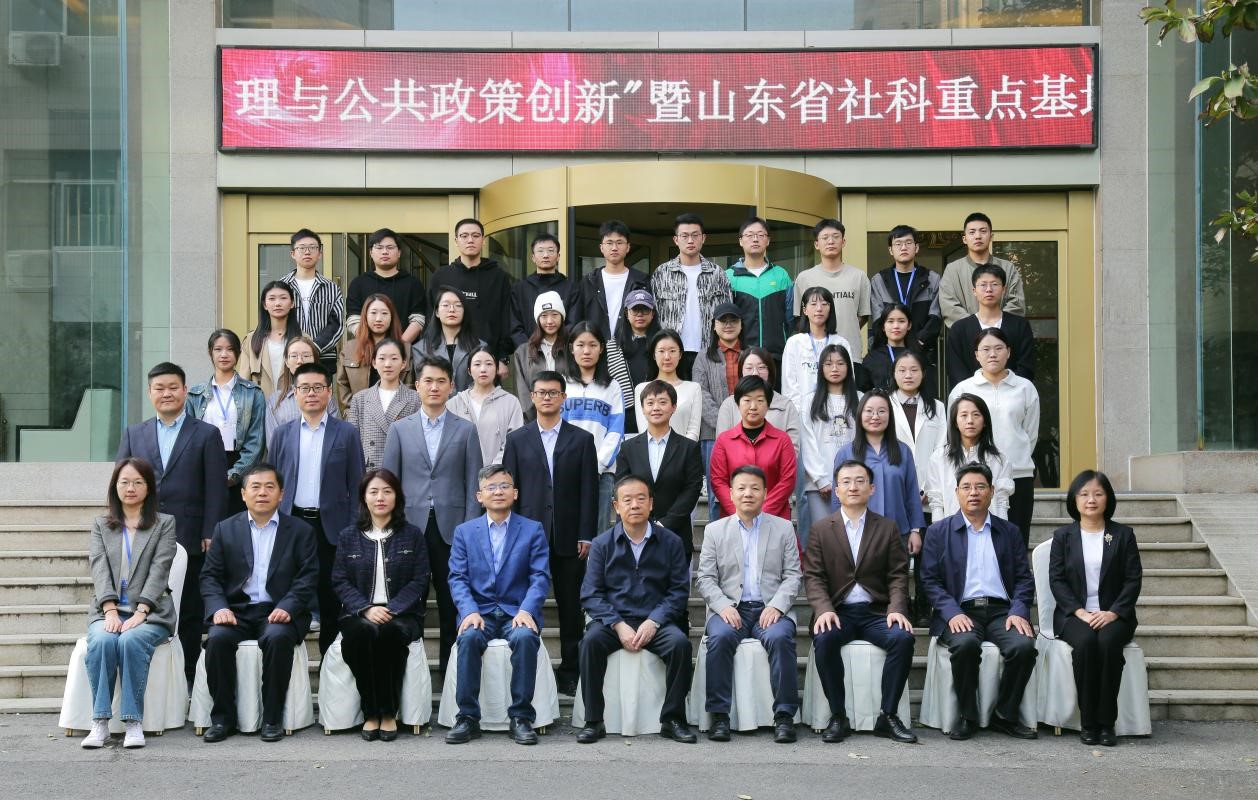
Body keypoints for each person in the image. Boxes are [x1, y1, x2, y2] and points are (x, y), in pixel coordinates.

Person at [116, 362, 227, 682]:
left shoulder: (206, 433)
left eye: (173, 387)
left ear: (185, 391)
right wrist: (122, 527)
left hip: (189, 534)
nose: (167, 393)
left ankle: (186, 676)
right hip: (143, 533)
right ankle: (146, 674)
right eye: (159, 388)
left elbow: (216, 488)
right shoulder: (134, 433)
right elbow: (121, 483)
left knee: (189, 608)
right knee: (141, 602)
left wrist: (210, 530)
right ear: (149, 393)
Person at [199, 463, 318, 743]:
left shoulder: (300, 531)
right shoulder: (226, 529)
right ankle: (223, 719)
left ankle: (272, 719)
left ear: (281, 494)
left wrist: (288, 606)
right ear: (243, 494)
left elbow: (308, 577)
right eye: (255, 487)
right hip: (236, 612)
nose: (262, 493)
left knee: (277, 638)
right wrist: (219, 608)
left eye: (269, 487)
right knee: (217, 639)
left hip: (278, 610)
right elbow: (210, 577)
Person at [920, 462, 1038, 741]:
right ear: (957, 492)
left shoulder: (1009, 531)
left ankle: (1005, 715)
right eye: (967, 487)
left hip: (1002, 611)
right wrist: (951, 612)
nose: (973, 492)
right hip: (961, 610)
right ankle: (968, 715)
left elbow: (1024, 578)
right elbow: (929, 580)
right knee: (965, 645)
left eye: (980, 487)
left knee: (1023, 647)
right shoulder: (939, 532)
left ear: (992, 491)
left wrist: (1019, 610)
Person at [381, 356, 483, 673]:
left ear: (451, 386)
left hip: (452, 530)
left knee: (452, 604)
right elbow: (389, 483)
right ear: (417, 386)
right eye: (428, 381)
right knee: (409, 604)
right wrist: (392, 527)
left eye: (441, 381)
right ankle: (413, 675)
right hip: (408, 528)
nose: (434, 387)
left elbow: (473, 483)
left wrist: (469, 530)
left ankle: (451, 675)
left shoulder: (466, 430)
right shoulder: (400, 430)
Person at [805, 459, 918, 744]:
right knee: (825, 638)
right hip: (838, 611)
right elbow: (814, 576)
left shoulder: (887, 527)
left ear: (871, 488)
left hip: (876, 612)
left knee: (903, 638)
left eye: (860, 481)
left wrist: (896, 608)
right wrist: (823, 609)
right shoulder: (821, 529)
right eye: (846, 482)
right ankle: (838, 716)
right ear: (837, 490)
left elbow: (897, 575)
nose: (853, 487)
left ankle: (888, 716)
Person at [577, 475, 695, 744]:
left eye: (641, 498)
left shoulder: (671, 542)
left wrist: (655, 621)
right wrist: (617, 624)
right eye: (627, 500)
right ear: (616, 506)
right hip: (614, 621)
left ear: (651, 503)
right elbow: (591, 594)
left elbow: (678, 592)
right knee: (590, 643)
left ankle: (673, 719)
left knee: (680, 645)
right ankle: (593, 720)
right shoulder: (602, 544)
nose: (634, 505)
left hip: (656, 620)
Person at [502, 371, 598, 695]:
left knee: (571, 608)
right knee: (527, 603)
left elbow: (589, 490)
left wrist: (587, 533)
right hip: (528, 537)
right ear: (532, 396)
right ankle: (531, 668)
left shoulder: (582, 439)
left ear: (563, 398)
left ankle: (570, 671)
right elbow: (510, 489)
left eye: (553, 393)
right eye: (541, 392)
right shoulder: (517, 439)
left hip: (570, 537)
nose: (546, 397)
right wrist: (512, 533)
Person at [445, 464, 551, 746]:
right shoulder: (465, 532)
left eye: (504, 486)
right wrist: (469, 611)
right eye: (490, 487)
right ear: (479, 496)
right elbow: (457, 577)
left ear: (515, 493)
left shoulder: (532, 530)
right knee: (468, 638)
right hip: (479, 612)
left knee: (525, 638)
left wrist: (527, 610)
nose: (498, 492)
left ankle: (521, 717)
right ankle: (467, 717)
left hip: (517, 611)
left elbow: (540, 576)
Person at [696, 465, 802, 743]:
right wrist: (722, 606)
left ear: (765, 493)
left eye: (755, 488)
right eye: (741, 488)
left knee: (780, 638)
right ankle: (720, 716)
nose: (748, 493)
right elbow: (705, 578)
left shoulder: (783, 528)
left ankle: (784, 717)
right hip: (731, 609)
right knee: (719, 638)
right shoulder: (715, 530)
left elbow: (793, 575)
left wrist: (777, 606)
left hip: (770, 607)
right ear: (731, 493)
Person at [80, 458, 178, 750]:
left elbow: (160, 569)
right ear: (115, 487)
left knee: (131, 640)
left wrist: (141, 611)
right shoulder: (101, 525)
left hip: (152, 612)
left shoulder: (164, 524)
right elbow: (99, 568)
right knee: (102, 640)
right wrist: (110, 610)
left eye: (138, 482)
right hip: (108, 610)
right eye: (124, 482)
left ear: (148, 487)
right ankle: (100, 721)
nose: (130, 488)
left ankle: (133, 721)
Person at [269, 361, 366, 654]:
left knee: (329, 596)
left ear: (328, 391)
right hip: (292, 522)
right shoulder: (282, 434)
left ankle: (328, 663)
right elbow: (273, 483)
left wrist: (353, 528)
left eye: (317, 387)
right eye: (304, 388)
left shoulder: (346, 433)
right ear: (295, 393)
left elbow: (357, 484)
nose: (311, 393)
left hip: (332, 528)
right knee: (290, 592)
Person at [331, 468, 429, 742]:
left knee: (390, 634)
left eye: (387, 491)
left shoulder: (412, 535)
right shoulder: (348, 536)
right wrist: (365, 608)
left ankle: (387, 712)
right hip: (359, 612)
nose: (380, 498)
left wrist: (393, 608)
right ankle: (370, 712)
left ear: (397, 496)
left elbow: (420, 579)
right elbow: (339, 580)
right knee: (362, 633)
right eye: (373, 492)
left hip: (403, 614)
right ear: (364, 498)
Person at [1049, 470, 1142, 747]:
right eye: (1084, 494)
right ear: (1074, 499)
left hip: (1115, 615)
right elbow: (1057, 580)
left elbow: (1133, 579)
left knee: (1108, 643)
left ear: (1107, 499)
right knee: (1087, 642)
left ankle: (1107, 723)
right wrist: (1080, 612)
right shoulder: (1063, 536)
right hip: (1074, 615)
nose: (1091, 500)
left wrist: (1113, 613)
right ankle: (1089, 723)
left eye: (1098, 494)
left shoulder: (1123, 535)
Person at [947, 328, 1040, 546]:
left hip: (1018, 474)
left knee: (1016, 540)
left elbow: (1030, 433)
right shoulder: (963, 389)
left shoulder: (1025, 388)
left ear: (1008, 352)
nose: (992, 354)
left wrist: (1015, 458)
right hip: (975, 478)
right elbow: (954, 433)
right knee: (975, 541)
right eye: (986, 349)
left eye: (998, 348)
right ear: (976, 355)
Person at [614, 381, 704, 558]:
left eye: (662, 402)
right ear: (642, 408)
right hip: (635, 535)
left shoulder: (689, 448)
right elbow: (621, 488)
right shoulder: (628, 448)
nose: (656, 408)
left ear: (673, 407)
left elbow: (692, 488)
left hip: (676, 535)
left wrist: (665, 524)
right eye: (650, 403)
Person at [831, 391, 925, 556]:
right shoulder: (846, 453)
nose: (875, 416)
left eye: (882, 411)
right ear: (860, 415)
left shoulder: (903, 451)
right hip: (857, 534)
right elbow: (837, 497)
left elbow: (912, 493)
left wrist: (915, 530)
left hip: (898, 532)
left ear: (890, 416)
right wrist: (838, 531)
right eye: (869, 411)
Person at [187, 329, 267, 517]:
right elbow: (188, 439)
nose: (224, 354)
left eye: (230, 349)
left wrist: (234, 475)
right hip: (204, 466)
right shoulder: (195, 394)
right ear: (210, 353)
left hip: (240, 466)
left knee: (236, 525)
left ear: (238, 353)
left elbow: (256, 441)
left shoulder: (253, 393)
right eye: (218, 349)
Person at [427, 218, 513, 378]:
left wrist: (503, 357)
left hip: (487, 357)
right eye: (464, 236)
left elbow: (506, 318)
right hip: (445, 356)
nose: (470, 240)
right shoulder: (441, 276)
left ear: (483, 240)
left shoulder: (498, 277)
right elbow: (430, 317)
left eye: (475, 235)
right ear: (456, 241)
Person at [650, 213, 733, 376]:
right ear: (676, 240)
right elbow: (654, 315)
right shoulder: (662, 273)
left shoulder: (717, 274)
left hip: (709, 352)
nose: (690, 240)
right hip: (671, 354)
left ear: (703, 238)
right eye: (684, 236)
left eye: (695, 235)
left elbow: (727, 315)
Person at [563, 321, 625, 533]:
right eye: (580, 345)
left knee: (598, 534)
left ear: (602, 348)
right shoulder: (561, 383)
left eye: (592, 345)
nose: (586, 351)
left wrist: (595, 467)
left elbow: (616, 431)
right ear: (571, 348)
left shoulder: (612, 386)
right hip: (566, 470)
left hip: (602, 473)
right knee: (567, 531)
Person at [710, 376, 796, 521]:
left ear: (768, 404)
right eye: (747, 400)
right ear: (737, 404)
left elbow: (788, 480)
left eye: (760, 400)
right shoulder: (724, 441)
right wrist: (739, 513)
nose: (753, 406)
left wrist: (762, 514)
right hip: (733, 519)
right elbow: (718, 481)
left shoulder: (782, 440)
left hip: (774, 518)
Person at [800, 344, 862, 542]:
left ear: (848, 367)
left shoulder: (860, 399)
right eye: (828, 364)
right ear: (820, 368)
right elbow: (807, 442)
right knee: (825, 539)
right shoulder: (809, 401)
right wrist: (821, 480)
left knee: (853, 537)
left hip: (854, 483)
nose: (834, 368)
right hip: (819, 485)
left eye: (840, 363)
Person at [792, 219, 870, 364]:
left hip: (850, 354)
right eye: (825, 237)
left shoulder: (859, 276)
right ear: (816, 244)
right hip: (814, 356)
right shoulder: (804, 278)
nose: (831, 241)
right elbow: (799, 317)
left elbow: (863, 315)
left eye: (835, 237)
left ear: (843, 242)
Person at [924, 393, 1014, 521]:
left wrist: (1000, 530)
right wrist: (939, 530)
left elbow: (1002, 502)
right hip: (951, 529)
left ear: (985, 421)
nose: (970, 420)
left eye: (976, 415)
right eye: (964, 415)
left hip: (988, 529)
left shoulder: (999, 459)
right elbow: (936, 502)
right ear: (955, 422)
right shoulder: (939, 457)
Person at [945, 264, 1035, 390]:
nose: (989, 289)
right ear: (974, 291)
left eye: (994, 284)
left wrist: (1009, 391)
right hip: (971, 398)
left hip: (1013, 395)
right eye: (983, 285)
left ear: (1003, 289)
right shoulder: (960, 328)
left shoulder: (1020, 325)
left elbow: (1026, 366)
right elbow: (956, 370)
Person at [692, 302, 744, 519]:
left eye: (733, 320)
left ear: (741, 324)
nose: (728, 325)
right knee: (717, 494)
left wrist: (743, 424)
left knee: (747, 488)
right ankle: (718, 537)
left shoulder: (751, 354)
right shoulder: (703, 357)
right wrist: (725, 424)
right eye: (723, 321)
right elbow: (701, 393)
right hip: (712, 435)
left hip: (747, 432)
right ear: (714, 325)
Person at [939, 212, 1026, 328]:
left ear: (991, 236)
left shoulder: (1008, 268)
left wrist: (995, 328)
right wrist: (975, 327)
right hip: (967, 334)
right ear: (964, 239)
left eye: (983, 231)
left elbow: (1016, 304)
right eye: (972, 232)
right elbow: (949, 306)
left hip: (1002, 335)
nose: (978, 236)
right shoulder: (952, 270)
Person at [345, 338, 420, 470]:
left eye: (394, 358)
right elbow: (352, 442)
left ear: (404, 363)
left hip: (403, 470)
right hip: (368, 472)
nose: (387, 364)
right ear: (374, 363)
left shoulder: (415, 399)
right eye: (382, 358)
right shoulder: (360, 399)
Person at [726, 217, 794, 363]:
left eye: (760, 235)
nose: (755, 239)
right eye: (750, 235)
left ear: (768, 240)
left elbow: (790, 318)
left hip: (777, 356)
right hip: (742, 356)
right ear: (740, 241)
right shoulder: (729, 276)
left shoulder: (781, 275)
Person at [345, 227, 428, 346]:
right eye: (379, 247)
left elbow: (418, 319)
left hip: (404, 351)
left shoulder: (413, 284)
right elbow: (353, 319)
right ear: (370, 252)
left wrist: (397, 348)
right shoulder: (358, 284)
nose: (384, 251)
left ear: (399, 252)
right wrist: (372, 346)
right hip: (367, 350)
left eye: (390, 247)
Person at [868, 225, 942, 358]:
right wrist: (890, 344)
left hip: (922, 351)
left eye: (908, 243)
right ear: (890, 250)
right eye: (898, 244)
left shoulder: (932, 279)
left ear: (916, 247)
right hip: (889, 351)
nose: (903, 247)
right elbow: (878, 319)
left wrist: (920, 342)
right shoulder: (879, 280)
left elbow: (936, 316)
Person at [782, 286, 855, 414]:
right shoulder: (794, 343)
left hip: (835, 412)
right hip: (801, 412)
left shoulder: (841, 343)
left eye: (824, 304)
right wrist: (799, 413)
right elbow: (789, 385)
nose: (819, 308)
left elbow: (848, 381)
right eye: (813, 304)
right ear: (805, 310)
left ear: (830, 308)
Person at [715, 347, 802, 454]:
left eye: (761, 367)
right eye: (749, 368)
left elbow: (792, 450)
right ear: (741, 371)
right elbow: (722, 446)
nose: (755, 373)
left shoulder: (786, 405)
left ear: (770, 371)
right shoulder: (729, 404)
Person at [280, 228, 345, 373]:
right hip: (289, 358)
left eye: (312, 248)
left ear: (320, 254)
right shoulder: (281, 287)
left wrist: (313, 347)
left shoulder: (331, 288)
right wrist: (296, 350)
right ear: (293, 254)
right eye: (302, 248)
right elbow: (275, 321)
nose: (307, 252)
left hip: (323, 357)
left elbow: (337, 324)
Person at [574, 220, 651, 341]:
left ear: (628, 247)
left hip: (631, 347)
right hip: (596, 347)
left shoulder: (642, 281)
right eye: (609, 243)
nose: (614, 248)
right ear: (601, 247)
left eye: (619, 243)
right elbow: (578, 320)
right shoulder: (589, 282)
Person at [448, 345, 525, 466]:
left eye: (489, 364)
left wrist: (493, 470)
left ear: (497, 368)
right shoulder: (454, 403)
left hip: (499, 473)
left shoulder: (511, 402)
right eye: (477, 364)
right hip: (461, 473)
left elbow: (515, 440)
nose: (483, 369)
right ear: (469, 370)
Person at [889, 349, 946, 509]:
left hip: (930, 491)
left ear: (923, 373)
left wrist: (928, 487)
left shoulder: (937, 407)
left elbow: (941, 449)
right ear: (894, 374)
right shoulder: (884, 405)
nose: (908, 375)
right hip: (894, 487)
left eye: (914, 370)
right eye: (902, 370)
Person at [337, 293, 407, 415]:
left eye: (384, 313)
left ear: (392, 317)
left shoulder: (406, 349)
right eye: (373, 313)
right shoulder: (349, 349)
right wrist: (354, 418)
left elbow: (410, 387)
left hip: (397, 418)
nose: (378, 318)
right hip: (359, 417)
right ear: (365, 316)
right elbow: (343, 386)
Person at [264, 335, 338, 449]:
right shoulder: (275, 400)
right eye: (294, 356)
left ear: (314, 360)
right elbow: (273, 444)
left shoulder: (326, 395)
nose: (300, 361)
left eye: (306, 355)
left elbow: (337, 436)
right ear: (286, 362)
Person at [606, 289, 661, 438]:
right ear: (626, 313)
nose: (640, 314)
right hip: (625, 416)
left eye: (645, 310)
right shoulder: (612, 346)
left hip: (657, 412)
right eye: (635, 310)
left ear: (653, 313)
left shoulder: (662, 344)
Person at [412, 286, 487, 394]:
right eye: (446, 305)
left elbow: (484, 385)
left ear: (464, 312)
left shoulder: (480, 347)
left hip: (470, 403)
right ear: (437, 312)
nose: (452, 309)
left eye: (458, 305)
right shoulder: (420, 349)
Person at [509, 232, 578, 346]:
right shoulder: (519, 289)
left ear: (558, 256)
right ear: (533, 257)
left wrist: (557, 348)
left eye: (551, 251)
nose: (545, 255)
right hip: (528, 352)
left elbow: (573, 323)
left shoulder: (571, 288)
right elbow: (515, 326)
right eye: (540, 251)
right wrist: (528, 350)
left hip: (561, 351)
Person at [634, 330, 703, 441]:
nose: (667, 357)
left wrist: (681, 450)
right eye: (661, 351)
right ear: (654, 355)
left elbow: (693, 431)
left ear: (680, 354)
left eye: (672, 351)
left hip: (684, 450)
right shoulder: (641, 389)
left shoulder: (693, 388)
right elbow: (643, 430)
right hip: (650, 450)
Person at [512, 291, 571, 421]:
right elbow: (522, 393)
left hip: (569, 418)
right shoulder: (523, 352)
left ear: (562, 317)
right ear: (538, 319)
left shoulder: (571, 349)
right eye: (544, 316)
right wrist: (536, 420)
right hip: (534, 421)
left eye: (554, 315)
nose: (549, 321)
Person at [242, 280, 300, 399]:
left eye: (283, 298)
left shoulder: (303, 339)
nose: (277, 303)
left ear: (292, 303)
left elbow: (310, 377)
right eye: (272, 299)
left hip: (293, 406)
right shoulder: (251, 339)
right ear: (265, 305)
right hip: (260, 406)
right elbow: (244, 382)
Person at [861, 304, 930, 392]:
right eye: (890, 321)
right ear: (883, 327)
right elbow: (864, 392)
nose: (896, 326)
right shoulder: (872, 358)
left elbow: (928, 390)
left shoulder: (919, 356)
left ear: (909, 325)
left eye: (901, 321)